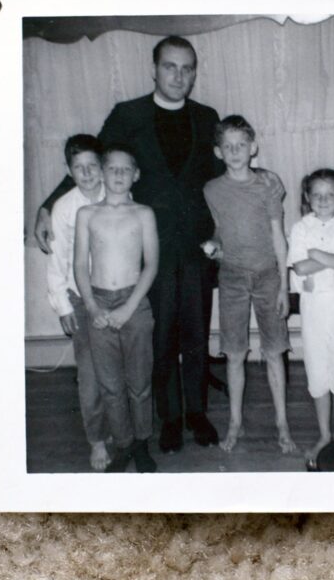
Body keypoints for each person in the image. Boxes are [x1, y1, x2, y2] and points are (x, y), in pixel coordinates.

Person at [34, 36, 223, 454]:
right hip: (146, 250)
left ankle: (197, 413)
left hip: (195, 248)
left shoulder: (207, 116)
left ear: (194, 72)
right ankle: (170, 418)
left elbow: (220, 179)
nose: (179, 75)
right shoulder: (128, 114)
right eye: (170, 66)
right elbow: (91, 164)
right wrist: (48, 205)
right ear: (153, 69)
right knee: (158, 341)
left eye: (187, 67)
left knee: (195, 336)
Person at [202, 116, 296, 454]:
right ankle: (235, 423)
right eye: (228, 146)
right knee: (235, 354)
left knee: (274, 353)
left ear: (253, 147)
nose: (235, 151)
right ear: (218, 151)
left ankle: (282, 424)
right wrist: (213, 245)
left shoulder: (269, 184)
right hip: (231, 278)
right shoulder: (211, 189)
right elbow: (218, 228)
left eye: (241, 144)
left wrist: (284, 286)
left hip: (268, 276)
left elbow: (278, 236)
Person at [74, 146, 159, 473]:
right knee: (110, 384)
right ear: (102, 173)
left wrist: (128, 308)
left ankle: (141, 443)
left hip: (134, 303)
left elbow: (151, 265)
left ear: (136, 175)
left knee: (139, 383)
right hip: (98, 301)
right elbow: (80, 265)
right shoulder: (87, 215)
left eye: (126, 170)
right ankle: (122, 445)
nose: (119, 175)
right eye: (113, 169)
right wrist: (92, 306)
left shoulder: (143, 214)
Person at [287, 168, 334, 467]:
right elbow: (300, 269)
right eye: (316, 195)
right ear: (307, 197)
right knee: (317, 369)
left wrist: (317, 253)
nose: (322, 200)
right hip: (313, 305)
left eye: (329, 194)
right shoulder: (300, 228)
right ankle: (324, 435)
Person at [45, 134, 109, 470]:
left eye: (92, 166)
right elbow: (56, 262)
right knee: (90, 375)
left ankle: (119, 429)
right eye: (78, 168)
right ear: (69, 171)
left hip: (116, 294)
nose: (86, 174)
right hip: (80, 298)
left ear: (102, 167)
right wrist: (63, 306)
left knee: (117, 370)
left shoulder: (117, 195)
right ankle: (96, 441)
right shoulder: (63, 208)